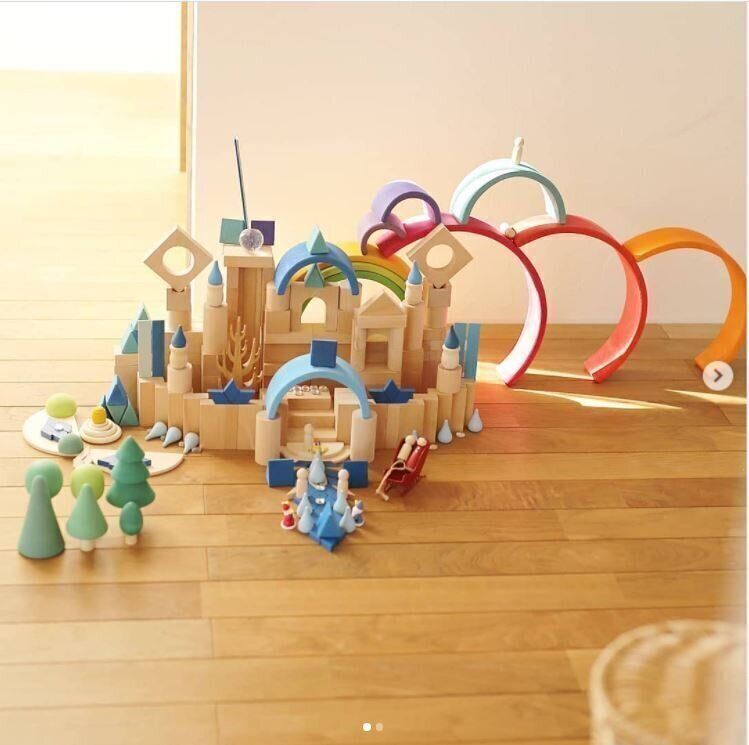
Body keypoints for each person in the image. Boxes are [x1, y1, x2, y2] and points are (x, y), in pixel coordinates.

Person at [375, 434, 421, 500]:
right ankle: (379, 489)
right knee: (389, 471)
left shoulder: (408, 447)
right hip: (400, 462)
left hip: (402, 463)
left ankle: (379, 489)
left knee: (390, 471)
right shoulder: (406, 446)